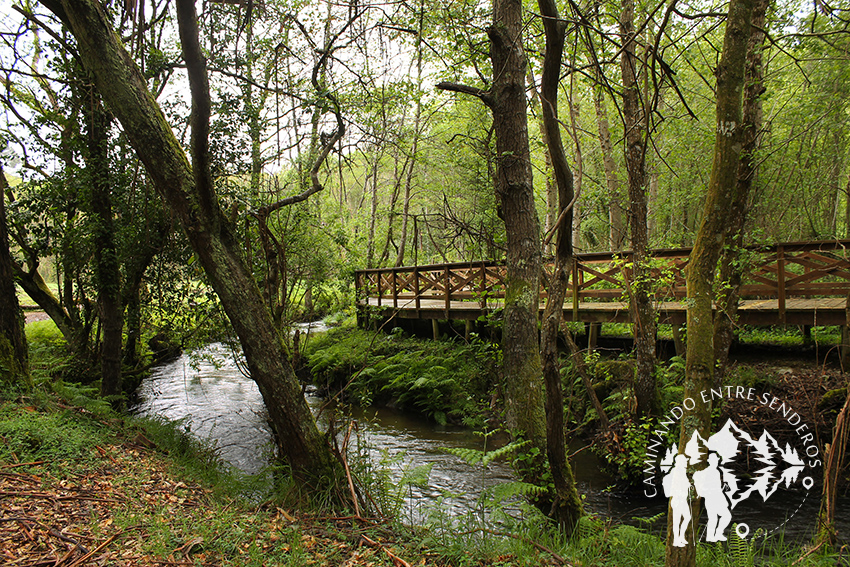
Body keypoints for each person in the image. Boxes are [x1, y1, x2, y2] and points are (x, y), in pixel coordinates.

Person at [693, 452, 732, 542]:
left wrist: (722, 487)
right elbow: (708, 486)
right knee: (719, 517)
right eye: (713, 460)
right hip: (712, 498)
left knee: (720, 517)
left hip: (716, 497)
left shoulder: (716, 471)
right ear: (710, 461)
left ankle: (714, 535)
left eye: (716, 460)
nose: (715, 462)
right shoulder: (709, 472)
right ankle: (714, 535)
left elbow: (715, 486)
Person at [663, 453, 692, 547]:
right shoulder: (675, 472)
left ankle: (681, 537)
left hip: (683, 500)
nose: (686, 463)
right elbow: (676, 486)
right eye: (684, 462)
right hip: (677, 500)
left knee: (687, 517)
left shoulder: (682, 472)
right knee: (677, 521)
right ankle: (676, 540)